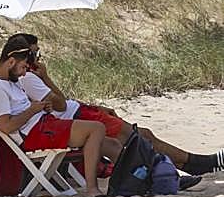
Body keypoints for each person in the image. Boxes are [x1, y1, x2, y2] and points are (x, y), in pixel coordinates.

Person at [13, 33, 224, 179]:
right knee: (139, 138)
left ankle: (186, 166)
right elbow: (59, 105)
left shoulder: (27, 77)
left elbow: (61, 102)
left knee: (140, 137)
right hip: (76, 117)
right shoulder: (28, 78)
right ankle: (194, 164)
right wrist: (47, 78)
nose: (38, 58)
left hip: (79, 111)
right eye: (35, 54)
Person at [0, 34, 122, 197]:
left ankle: (129, 181)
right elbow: (6, 126)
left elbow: (25, 108)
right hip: (34, 135)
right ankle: (92, 188)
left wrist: (41, 108)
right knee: (96, 129)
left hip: (43, 125)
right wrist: (32, 110)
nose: (23, 74)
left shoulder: (10, 81)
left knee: (112, 144)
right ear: (11, 62)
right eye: (23, 68)